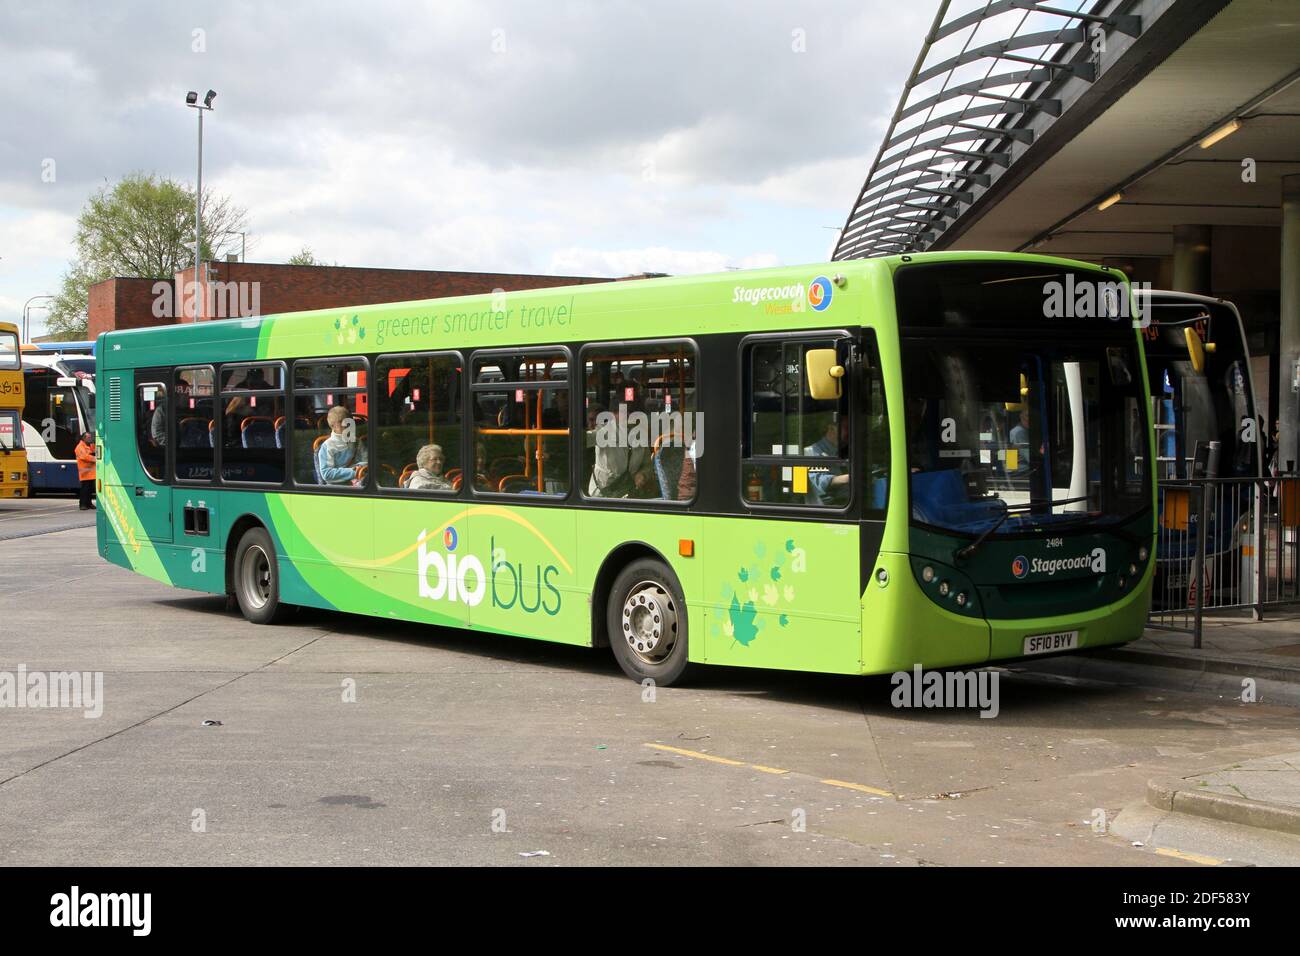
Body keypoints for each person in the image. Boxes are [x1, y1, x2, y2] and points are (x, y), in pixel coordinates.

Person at [585, 403, 652, 497]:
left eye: (631, 412)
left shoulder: (640, 437)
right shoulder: (604, 431)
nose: (628, 416)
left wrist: (642, 474)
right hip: (602, 494)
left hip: (628, 494)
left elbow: (648, 465)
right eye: (622, 412)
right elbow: (585, 439)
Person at [803, 419, 849, 505]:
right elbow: (820, 481)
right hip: (827, 507)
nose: (848, 432)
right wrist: (848, 478)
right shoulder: (812, 451)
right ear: (831, 429)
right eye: (845, 428)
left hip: (847, 500)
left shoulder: (843, 450)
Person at [317, 405, 366, 484]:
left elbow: (366, 460)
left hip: (359, 481)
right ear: (333, 426)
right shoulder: (327, 446)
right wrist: (353, 472)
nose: (348, 427)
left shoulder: (356, 442)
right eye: (344, 425)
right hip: (336, 488)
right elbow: (326, 474)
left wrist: (360, 468)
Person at [75, 431, 97, 510]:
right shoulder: (80, 447)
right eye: (88, 437)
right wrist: (96, 459)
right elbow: (85, 457)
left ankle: (89, 503)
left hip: (91, 473)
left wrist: (93, 444)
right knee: (85, 489)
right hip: (84, 473)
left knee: (90, 489)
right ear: (84, 438)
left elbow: (94, 452)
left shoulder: (89, 445)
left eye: (90, 437)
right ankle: (83, 504)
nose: (90, 439)